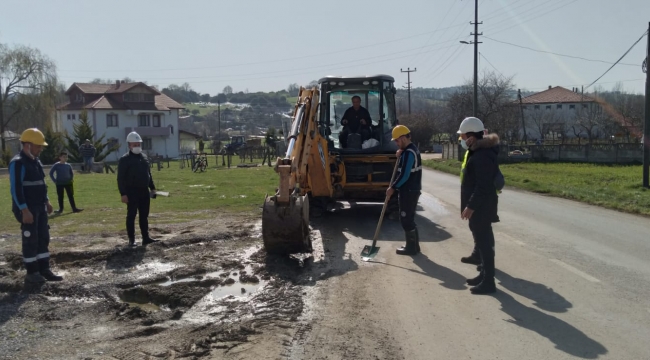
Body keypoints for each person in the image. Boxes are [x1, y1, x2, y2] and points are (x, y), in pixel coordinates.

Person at [9, 128, 62, 283]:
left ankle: (44, 269)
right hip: (27, 209)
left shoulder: (36, 161)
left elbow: (41, 183)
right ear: (27, 145)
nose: (40, 149)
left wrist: (46, 201)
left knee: (43, 237)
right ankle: (32, 273)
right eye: (38, 146)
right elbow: (16, 189)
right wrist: (24, 210)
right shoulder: (18, 163)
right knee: (30, 239)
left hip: (40, 206)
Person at [457, 117, 500, 294]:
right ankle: (484, 274)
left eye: (462, 136)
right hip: (479, 206)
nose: (461, 140)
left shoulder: (482, 156)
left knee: (484, 243)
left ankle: (489, 281)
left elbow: (482, 186)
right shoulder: (478, 152)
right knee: (482, 242)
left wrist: (470, 206)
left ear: (471, 136)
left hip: (481, 207)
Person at [117, 131, 158, 247]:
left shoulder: (144, 158)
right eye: (134, 145)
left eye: (138, 144)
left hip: (144, 191)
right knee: (131, 215)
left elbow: (148, 175)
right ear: (129, 145)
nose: (137, 147)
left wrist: (153, 189)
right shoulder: (124, 160)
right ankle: (132, 239)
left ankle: (146, 237)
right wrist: (123, 193)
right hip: (131, 191)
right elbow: (120, 179)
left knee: (144, 216)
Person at [386, 125, 422, 256]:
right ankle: (415, 246)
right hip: (412, 190)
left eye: (397, 140)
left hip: (409, 191)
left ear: (403, 138)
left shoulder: (408, 153)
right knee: (409, 218)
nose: (396, 143)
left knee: (406, 219)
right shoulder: (411, 150)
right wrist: (400, 154)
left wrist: (393, 187)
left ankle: (411, 247)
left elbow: (405, 175)